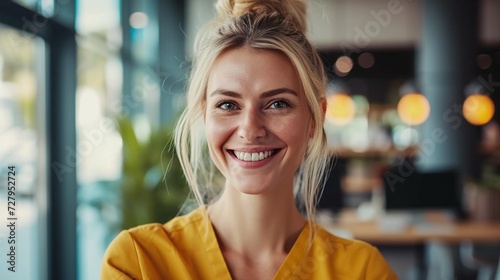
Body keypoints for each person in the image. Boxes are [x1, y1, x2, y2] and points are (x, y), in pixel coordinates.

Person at [101, 0, 398, 279]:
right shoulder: (139, 261)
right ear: (206, 116)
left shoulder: (362, 270)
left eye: (278, 103)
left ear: (315, 119)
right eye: (228, 105)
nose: (250, 129)